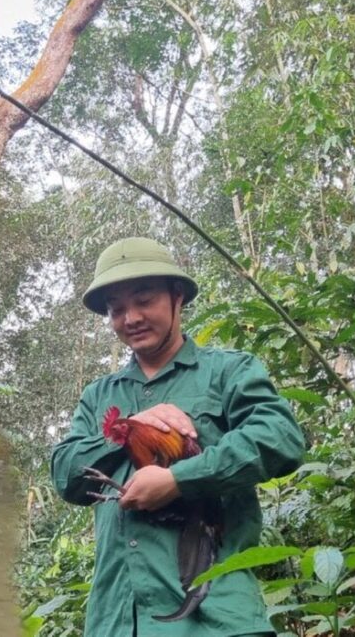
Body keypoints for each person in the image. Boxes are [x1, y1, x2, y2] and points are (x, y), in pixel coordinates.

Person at [51, 237, 306, 636]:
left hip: (218, 619)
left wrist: (178, 480)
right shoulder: (99, 395)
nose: (130, 317)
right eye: (117, 309)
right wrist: (131, 427)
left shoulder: (227, 372)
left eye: (144, 300)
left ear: (178, 296)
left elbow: (281, 438)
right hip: (119, 621)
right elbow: (66, 475)